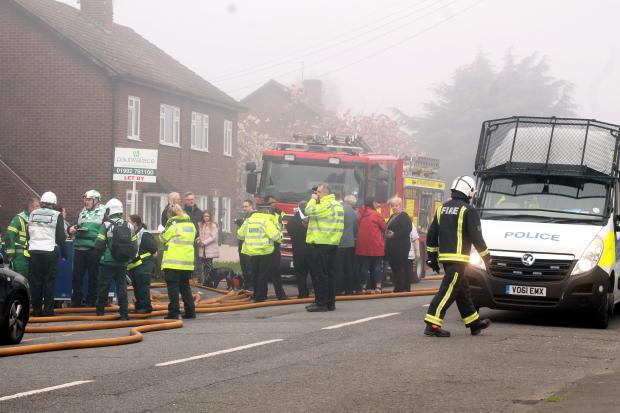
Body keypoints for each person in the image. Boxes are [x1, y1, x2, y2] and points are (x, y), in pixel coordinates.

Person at [424, 175, 492, 337]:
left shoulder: (442, 209)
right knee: (448, 291)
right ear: (469, 192)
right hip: (459, 259)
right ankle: (432, 324)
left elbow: (432, 234)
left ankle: (474, 323)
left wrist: (432, 257)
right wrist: (487, 258)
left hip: (447, 259)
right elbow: (477, 238)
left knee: (462, 290)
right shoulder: (469, 210)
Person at [94, 198, 137, 320]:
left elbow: (98, 244)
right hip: (122, 263)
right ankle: (124, 314)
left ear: (110, 210)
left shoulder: (106, 225)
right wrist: (128, 259)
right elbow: (134, 246)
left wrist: (99, 257)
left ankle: (100, 313)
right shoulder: (129, 226)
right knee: (121, 288)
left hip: (107, 262)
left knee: (103, 287)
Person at [304, 183, 344, 312]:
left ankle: (320, 303)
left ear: (326, 193)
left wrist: (312, 199)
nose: (317, 194)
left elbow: (308, 210)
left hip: (320, 244)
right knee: (330, 275)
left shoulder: (324, 204)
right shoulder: (338, 205)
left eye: (319, 192)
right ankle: (330, 303)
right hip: (332, 243)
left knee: (319, 275)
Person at [28, 192, 67, 316]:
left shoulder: (33, 214)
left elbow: (30, 233)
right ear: (53, 203)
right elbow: (61, 237)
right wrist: (64, 254)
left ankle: (37, 310)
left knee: (36, 282)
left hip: (34, 251)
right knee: (49, 282)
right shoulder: (57, 215)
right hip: (49, 251)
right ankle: (48, 310)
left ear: (42, 202)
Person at [68, 189, 106, 307]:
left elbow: (106, 231)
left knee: (93, 276)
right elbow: (71, 225)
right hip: (79, 248)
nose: (85, 202)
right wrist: (70, 229)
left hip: (93, 249)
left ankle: (91, 300)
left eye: (88, 199)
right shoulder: (82, 212)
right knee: (77, 276)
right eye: (85, 199)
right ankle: (76, 300)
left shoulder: (104, 213)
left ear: (96, 201)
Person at [237, 203, 282, 302]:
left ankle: (256, 294)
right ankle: (260, 297)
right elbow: (275, 236)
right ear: (266, 210)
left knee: (254, 274)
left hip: (252, 252)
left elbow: (240, 235)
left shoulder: (248, 221)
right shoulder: (266, 221)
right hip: (265, 251)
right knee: (263, 275)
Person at [160, 204, 197, 319]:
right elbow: (194, 236)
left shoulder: (172, 225)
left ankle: (174, 313)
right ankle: (190, 312)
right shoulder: (191, 225)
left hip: (173, 262)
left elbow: (163, 238)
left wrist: (161, 232)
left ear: (170, 214)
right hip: (187, 262)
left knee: (173, 288)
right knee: (185, 287)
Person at [127, 214, 158, 314]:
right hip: (135, 265)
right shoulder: (132, 234)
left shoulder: (144, 234)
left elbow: (154, 249)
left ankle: (146, 307)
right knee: (137, 287)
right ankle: (139, 306)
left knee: (143, 287)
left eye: (129, 222)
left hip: (144, 265)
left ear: (135, 223)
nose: (127, 224)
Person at [356, 196, 386, 293]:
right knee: (377, 266)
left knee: (364, 266)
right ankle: (377, 287)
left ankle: (363, 287)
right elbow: (384, 227)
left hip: (362, 245)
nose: (378, 204)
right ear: (372, 203)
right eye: (376, 202)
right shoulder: (376, 215)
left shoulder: (360, 214)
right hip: (375, 245)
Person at [6, 197, 39, 277]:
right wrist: (11, 253)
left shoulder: (36, 218)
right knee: (21, 280)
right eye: (37, 206)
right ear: (31, 207)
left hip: (31, 257)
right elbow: (9, 235)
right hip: (20, 258)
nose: (39, 208)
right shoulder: (18, 219)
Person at [385, 197, 413, 292]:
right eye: (392, 206)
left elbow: (407, 230)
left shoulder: (404, 216)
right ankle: (399, 286)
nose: (394, 208)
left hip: (401, 246)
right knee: (394, 267)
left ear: (401, 206)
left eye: (396, 206)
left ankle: (401, 287)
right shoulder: (392, 216)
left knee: (400, 266)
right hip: (392, 246)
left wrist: (394, 235)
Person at [263, 195, 287, 300]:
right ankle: (262, 294)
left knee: (276, 271)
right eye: (272, 202)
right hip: (265, 246)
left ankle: (280, 295)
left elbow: (280, 227)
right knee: (263, 272)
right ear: (267, 204)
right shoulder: (263, 214)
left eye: (275, 202)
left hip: (275, 245)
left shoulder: (279, 213)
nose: (274, 204)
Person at [286, 200, 311, 298]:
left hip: (298, 250)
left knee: (300, 273)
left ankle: (303, 293)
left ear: (299, 208)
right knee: (314, 272)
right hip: (311, 249)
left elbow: (289, 229)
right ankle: (317, 292)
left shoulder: (292, 221)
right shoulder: (312, 219)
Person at [336, 194, 358, 295]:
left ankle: (339, 288)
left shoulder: (340, 210)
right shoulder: (354, 213)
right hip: (350, 243)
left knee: (339, 267)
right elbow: (355, 229)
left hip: (340, 243)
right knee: (349, 267)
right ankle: (349, 289)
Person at [235, 199, 255, 290]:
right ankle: (246, 285)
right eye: (243, 206)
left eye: (246, 206)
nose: (244, 208)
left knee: (249, 267)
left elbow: (250, 229)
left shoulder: (253, 216)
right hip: (242, 245)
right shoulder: (246, 216)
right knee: (244, 266)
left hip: (249, 246)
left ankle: (250, 286)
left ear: (251, 206)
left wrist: (241, 223)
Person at [198, 210, 219, 286]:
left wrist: (204, 242)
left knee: (209, 265)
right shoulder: (201, 225)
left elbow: (213, 237)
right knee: (204, 265)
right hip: (203, 249)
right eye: (204, 216)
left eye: (207, 216)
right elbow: (199, 235)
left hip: (210, 248)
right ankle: (205, 280)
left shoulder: (213, 225)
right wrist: (198, 240)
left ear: (210, 217)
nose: (206, 218)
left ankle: (210, 281)